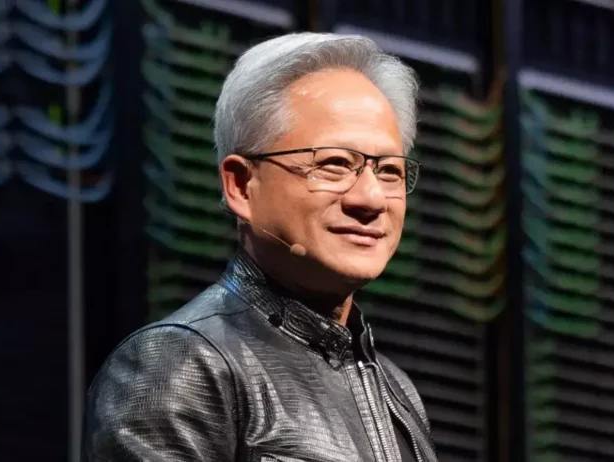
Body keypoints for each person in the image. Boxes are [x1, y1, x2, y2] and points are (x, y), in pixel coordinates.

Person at [83, 32, 435, 462]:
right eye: (334, 164)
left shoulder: (395, 389)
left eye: (389, 171)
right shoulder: (182, 364)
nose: (371, 198)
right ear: (241, 185)